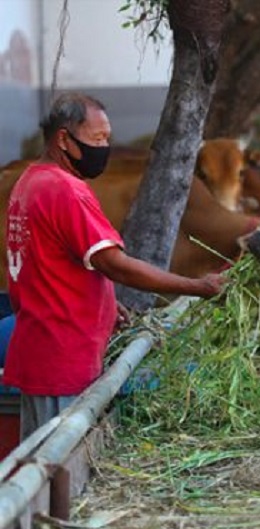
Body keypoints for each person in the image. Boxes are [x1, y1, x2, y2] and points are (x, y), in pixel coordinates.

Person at [2, 92, 227, 440]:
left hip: (41, 349)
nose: (105, 147)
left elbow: (54, 264)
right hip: (62, 357)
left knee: (40, 461)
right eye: (98, 139)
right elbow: (115, 265)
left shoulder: (31, 181)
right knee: (57, 461)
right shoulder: (66, 191)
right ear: (64, 139)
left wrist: (106, 303)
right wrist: (198, 287)